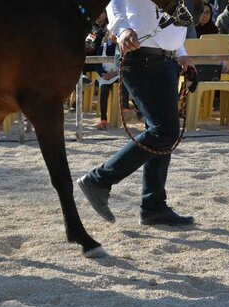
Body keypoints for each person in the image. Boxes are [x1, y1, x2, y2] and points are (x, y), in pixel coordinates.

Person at [77, 0, 195, 226]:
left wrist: (180, 51)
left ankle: (153, 206)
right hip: (141, 55)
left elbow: (175, 18)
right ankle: (99, 180)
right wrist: (121, 28)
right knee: (165, 132)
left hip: (165, 59)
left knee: (162, 133)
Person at [94, 31, 119, 130]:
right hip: (104, 76)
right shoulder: (102, 48)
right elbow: (97, 64)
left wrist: (115, 73)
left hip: (117, 75)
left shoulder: (121, 47)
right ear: (108, 34)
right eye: (113, 33)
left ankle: (123, 114)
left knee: (121, 87)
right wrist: (103, 73)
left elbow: (124, 63)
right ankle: (103, 119)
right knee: (104, 91)